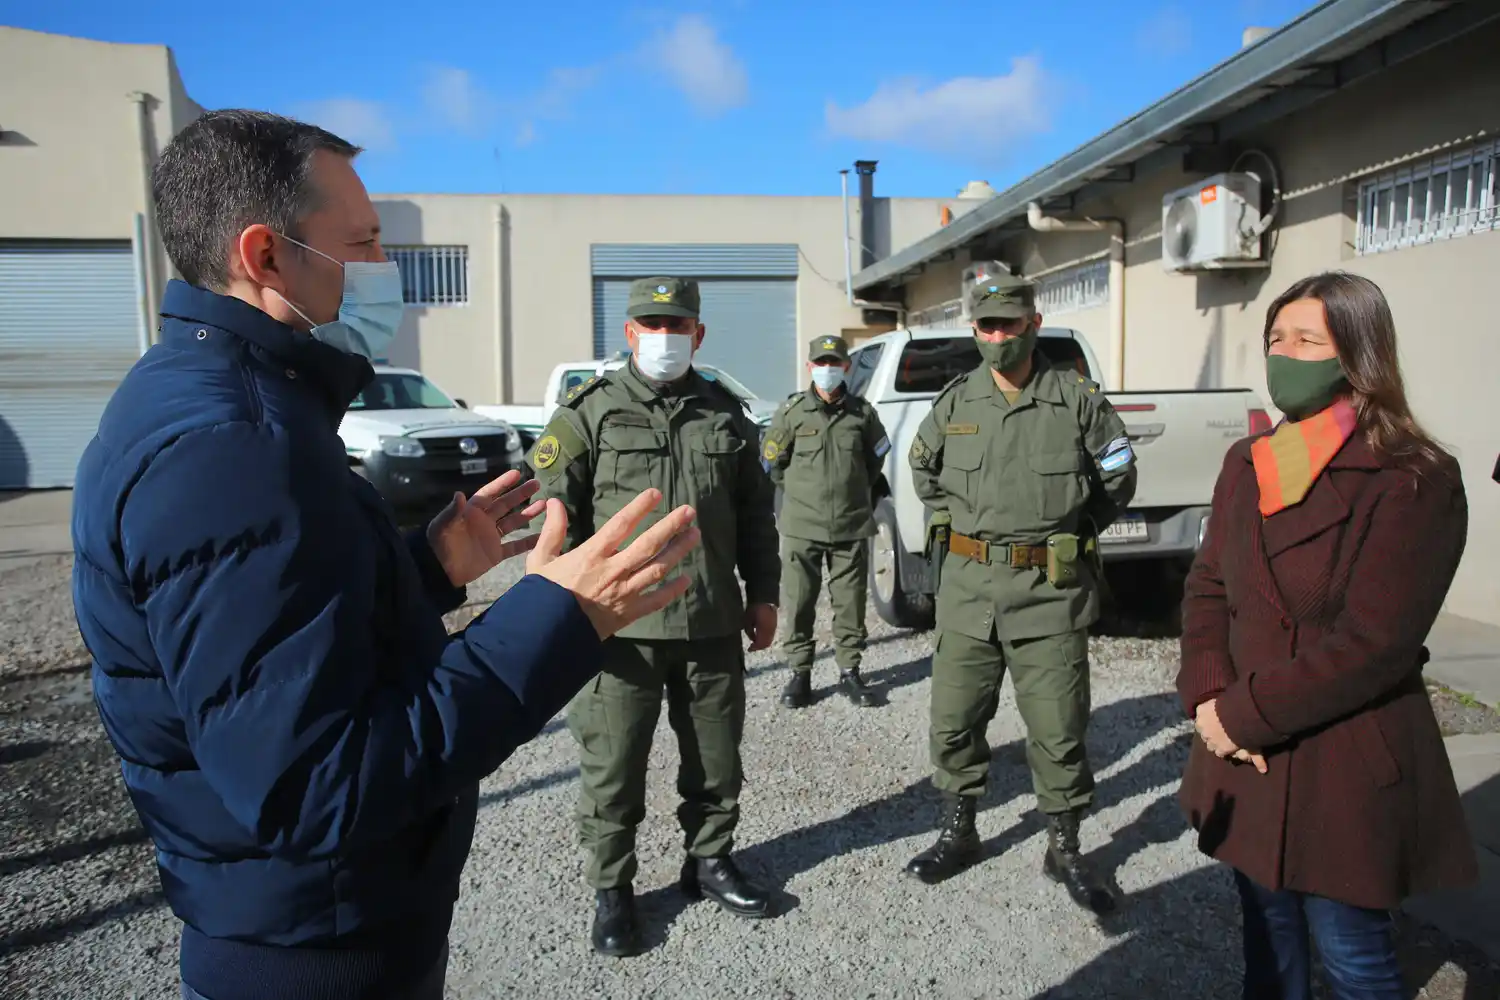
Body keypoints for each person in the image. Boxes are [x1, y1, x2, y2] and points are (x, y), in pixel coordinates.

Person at [70, 110, 700, 1000]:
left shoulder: (218, 394)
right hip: (313, 957)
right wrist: (558, 616)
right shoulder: (235, 441)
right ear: (266, 255)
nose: (382, 270)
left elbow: (273, 639)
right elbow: (316, 787)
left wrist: (424, 567)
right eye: (362, 243)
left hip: (304, 931)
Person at [1177, 271, 1477, 1000]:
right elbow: (1209, 586)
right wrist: (1208, 698)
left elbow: (1377, 643)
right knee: (1267, 953)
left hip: (1342, 760)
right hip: (1244, 759)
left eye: (1308, 340)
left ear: (1357, 354)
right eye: (1276, 339)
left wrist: (1241, 715)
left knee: (1354, 963)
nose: (1285, 354)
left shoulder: (1413, 478)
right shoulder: (1247, 464)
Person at [527, 276, 781, 958]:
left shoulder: (727, 415)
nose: (664, 337)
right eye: (650, 325)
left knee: (717, 760)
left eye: (677, 327)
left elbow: (757, 515)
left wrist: (764, 594)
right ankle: (613, 890)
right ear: (630, 333)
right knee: (613, 767)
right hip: (616, 632)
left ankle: (710, 861)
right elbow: (556, 518)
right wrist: (553, 615)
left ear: (697, 335)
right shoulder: (590, 414)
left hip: (709, 622)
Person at [903, 271, 1136, 914]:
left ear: (1034, 322)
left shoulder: (1076, 399)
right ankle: (960, 830)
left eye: (1010, 323)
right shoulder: (955, 402)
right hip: (969, 590)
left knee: (1058, 730)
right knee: (954, 722)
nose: (999, 336)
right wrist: (960, 522)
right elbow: (923, 468)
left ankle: (1064, 846)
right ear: (974, 330)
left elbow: (1118, 476)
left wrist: (1078, 530)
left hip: (1048, 594)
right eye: (987, 325)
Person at [761, 334, 890, 710]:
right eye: (821, 363)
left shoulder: (862, 414)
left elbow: (874, 461)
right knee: (800, 602)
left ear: (846, 367)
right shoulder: (792, 413)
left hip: (850, 526)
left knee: (850, 603)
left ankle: (850, 671)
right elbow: (772, 464)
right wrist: (804, 496)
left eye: (834, 363)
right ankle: (800, 674)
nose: (827, 369)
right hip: (802, 527)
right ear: (809, 368)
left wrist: (852, 492)